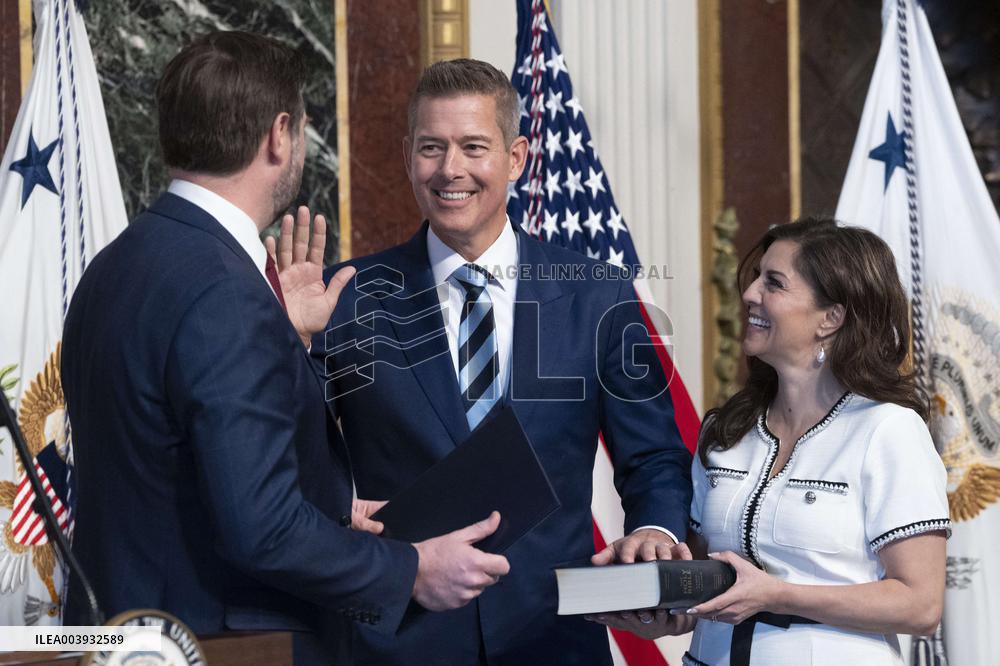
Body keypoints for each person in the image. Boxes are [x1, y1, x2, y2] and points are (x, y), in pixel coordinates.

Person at [61, 32, 509, 665]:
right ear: (279, 134)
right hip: (221, 643)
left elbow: (179, 467)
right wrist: (409, 568)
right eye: (300, 127)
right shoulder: (225, 291)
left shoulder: (112, 268)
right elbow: (260, 528)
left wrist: (332, 507)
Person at [289, 58, 692, 665]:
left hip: (554, 640)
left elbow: (655, 456)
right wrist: (289, 342)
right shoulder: (341, 297)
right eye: (431, 148)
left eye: (473, 146)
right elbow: (285, 456)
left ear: (516, 157)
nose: (451, 170)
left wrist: (655, 533)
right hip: (396, 643)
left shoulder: (598, 295)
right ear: (407, 158)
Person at [594, 218, 950, 665]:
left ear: (830, 318)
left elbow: (920, 605)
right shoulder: (726, 431)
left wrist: (778, 595)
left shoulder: (888, 430)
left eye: (774, 283)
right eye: (757, 276)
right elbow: (709, 591)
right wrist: (655, 614)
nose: (748, 293)